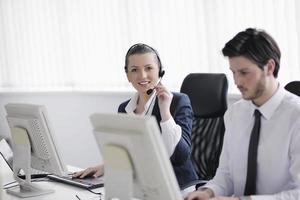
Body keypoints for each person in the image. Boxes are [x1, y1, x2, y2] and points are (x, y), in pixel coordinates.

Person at [185, 28, 300, 200]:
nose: (237, 82)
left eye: (244, 73)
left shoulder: (296, 116)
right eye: (233, 73)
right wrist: (206, 193)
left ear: (269, 67)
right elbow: (225, 175)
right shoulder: (235, 113)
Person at [73, 43, 198, 189]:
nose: (142, 76)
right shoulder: (125, 108)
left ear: (160, 71)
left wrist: (165, 113)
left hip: (178, 188)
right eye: (134, 70)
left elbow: (180, 157)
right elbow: (130, 153)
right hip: (143, 187)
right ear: (128, 76)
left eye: (149, 68)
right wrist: (105, 167)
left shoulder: (178, 101)